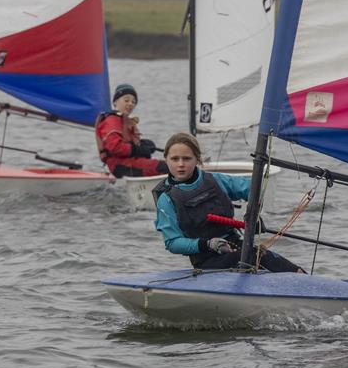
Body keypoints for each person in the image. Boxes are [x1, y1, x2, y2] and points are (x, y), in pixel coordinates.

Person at [153, 132, 304, 272]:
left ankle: (301, 276)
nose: (180, 164)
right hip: (206, 260)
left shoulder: (215, 180)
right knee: (255, 255)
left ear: (197, 159)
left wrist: (253, 215)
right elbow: (172, 243)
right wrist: (208, 244)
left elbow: (254, 189)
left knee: (261, 254)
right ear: (166, 159)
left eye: (186, 159)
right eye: (174, 159)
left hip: (235, 245)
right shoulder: (166, 199)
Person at [95, 84, 167, 178]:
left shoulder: (127, 122)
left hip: (130, 162)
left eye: (133, 102)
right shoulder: (111, 120)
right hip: (120, 166)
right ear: (115, 102)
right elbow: (115, 147)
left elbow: (131, 144)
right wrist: (137, 149)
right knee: (166, 167)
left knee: (172, 166)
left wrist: (143, 144)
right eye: (126, 100)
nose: (130, 104)